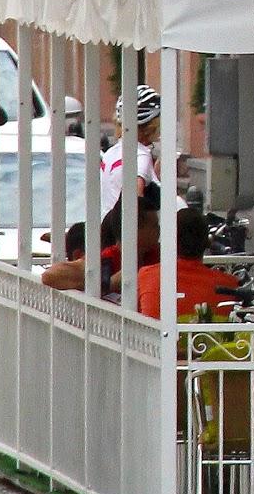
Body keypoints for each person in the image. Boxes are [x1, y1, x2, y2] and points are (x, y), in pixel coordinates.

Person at [41, 185, 161, 296]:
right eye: (155, 225)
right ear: (134, 229)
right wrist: (110, 284)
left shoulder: (159, 254)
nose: (159, 230)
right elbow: (49, 276)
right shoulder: (107, 259)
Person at [137, 208, 239, 320]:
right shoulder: (228, 284)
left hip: (157, 337)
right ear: (207, 243)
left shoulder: (146, 275)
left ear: (171, 241)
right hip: (210, 337)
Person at [99, 85, 162, 216]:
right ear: (151, 126)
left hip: (108, 229)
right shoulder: (140, 155)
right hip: (130, 234)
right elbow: (135, 197)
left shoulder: (110, 154)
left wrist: (153, 174)